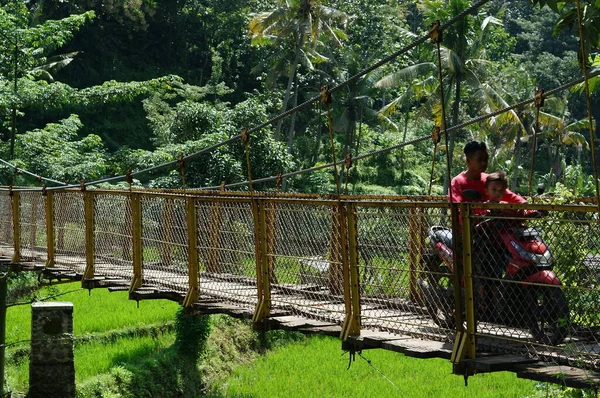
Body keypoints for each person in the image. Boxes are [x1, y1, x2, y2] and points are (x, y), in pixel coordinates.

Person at [450, 141, 526, 205]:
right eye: (479, 160)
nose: (484, 163)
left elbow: (510, 196)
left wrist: (525, 205)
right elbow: (456, 207)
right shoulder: (458, 182)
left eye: (486, 159)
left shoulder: (489, 179)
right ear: (468, 160)